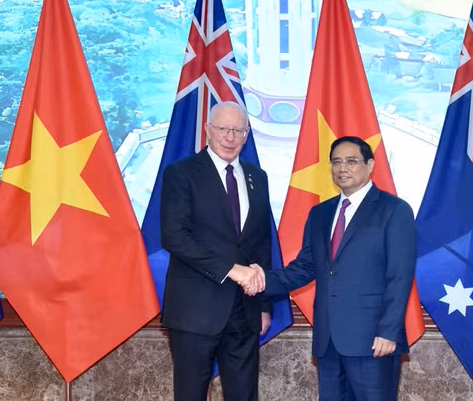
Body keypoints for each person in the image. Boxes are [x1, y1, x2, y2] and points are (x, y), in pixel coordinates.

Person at [253, 136, 417, 400]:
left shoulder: (394, 210)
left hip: (373, 342)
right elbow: (305, 267)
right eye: (337, 162)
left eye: (352, 161)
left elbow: (400, 276)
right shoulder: (320, 213)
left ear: (370, 165)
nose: (343, 168)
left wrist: (388, 332)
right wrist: (258, 280)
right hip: (328, 342)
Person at [159, 101, 272, 401]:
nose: (230, 137)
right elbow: (174, 237)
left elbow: (262, 243)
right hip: (195, 311)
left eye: (238, 130)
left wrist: (264, 305)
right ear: (208, 130)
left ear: (247, 134)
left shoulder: (258, 177)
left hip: (245, 311)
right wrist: (231, 269)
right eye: (223, 128)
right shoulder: (181, 173)